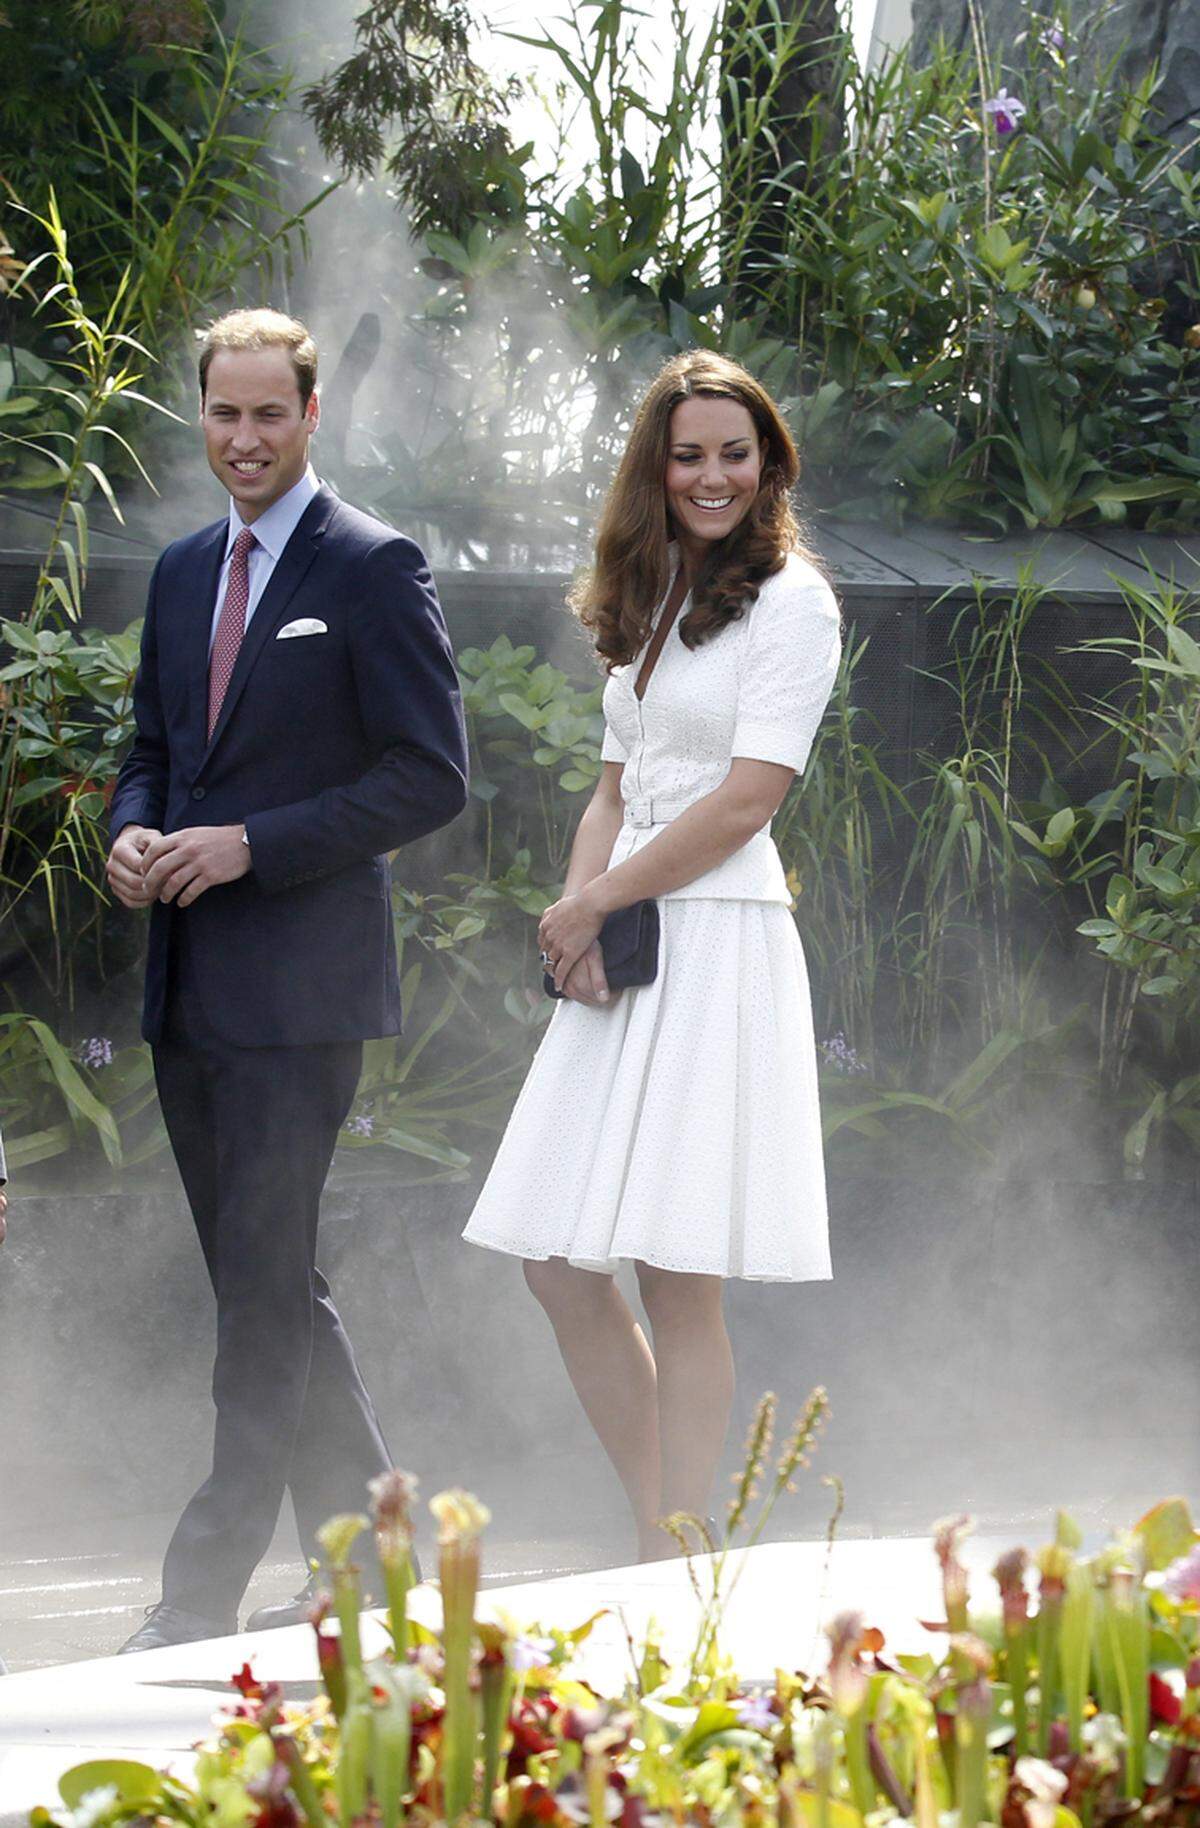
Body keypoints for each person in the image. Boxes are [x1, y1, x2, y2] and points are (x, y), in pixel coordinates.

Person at [107, 309, 468, 1651]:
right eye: (223, 415)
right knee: (267, 1284)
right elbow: (152, 745)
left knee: (263, 1285)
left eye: (269, 415)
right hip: (188, 986)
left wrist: (251, 845)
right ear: (201, 416)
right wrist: (131, 832)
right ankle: (382, 1554)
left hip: (303, 996)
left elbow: (429, 775)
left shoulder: (376, 567)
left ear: (312, 418)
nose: (244, 439)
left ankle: (200, 1586)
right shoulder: (184, 567)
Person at [462, 351, 840, 1559]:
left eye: (736, 452)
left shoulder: (796, 604)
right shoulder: (653, 593)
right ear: (657, 469)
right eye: (689, 454)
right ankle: (663, 1532)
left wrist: (597, 903)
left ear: (769, 461)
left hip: (721, 943)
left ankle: (677, 1553)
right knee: (557, 1264)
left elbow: (745, 802)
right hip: (627, 944)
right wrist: (579, 914)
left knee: (679, 1276)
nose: (712, 474)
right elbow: (616, 786)